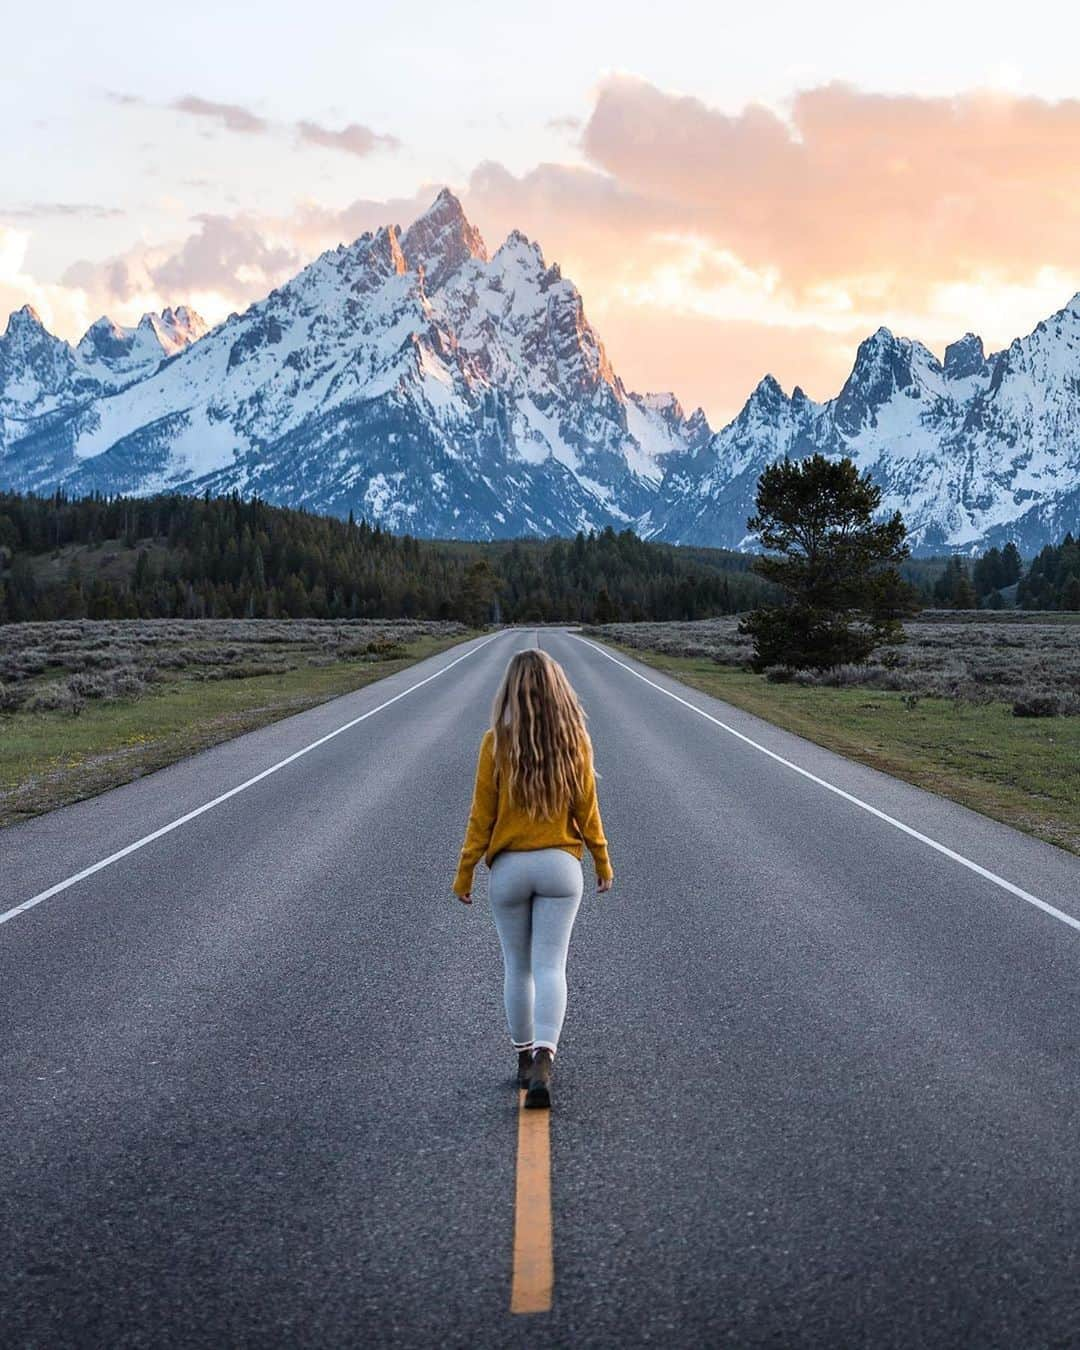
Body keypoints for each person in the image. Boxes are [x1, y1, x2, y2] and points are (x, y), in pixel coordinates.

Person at [452, 649, 614, 1109]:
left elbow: (480, 818)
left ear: (509, 691)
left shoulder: (494, 743)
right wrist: (602, 861)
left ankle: (523, 1059)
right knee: (550, 967)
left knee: (517, 967)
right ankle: (546, 1056)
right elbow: (589, 811)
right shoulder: (574, 739)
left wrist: (465, 872)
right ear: (558, 690)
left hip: (508, 870)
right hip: (560, 867)